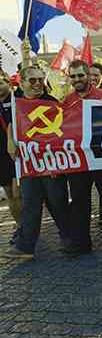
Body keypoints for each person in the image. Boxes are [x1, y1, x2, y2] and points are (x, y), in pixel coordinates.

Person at [3, 41, 70, 259]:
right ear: (21, 84)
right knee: (31, 203)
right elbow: (13, 123)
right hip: (28, 163)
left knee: (57, 202)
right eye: (32, 80)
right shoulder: (17, 101)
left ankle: (70, 239)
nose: (38, 84)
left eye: (41, 80)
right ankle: (26, 247)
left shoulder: (50, 101)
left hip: (51, 163)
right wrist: (10, 140)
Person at [62, 60, 102, 255]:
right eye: (73, 76)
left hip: (101, 156)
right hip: (78, 159)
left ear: (88, 76)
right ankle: (81, 243)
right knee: (79, 200)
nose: (77, 79)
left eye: (80, 75)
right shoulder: (66, 101)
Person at [0, 69, 22, 245]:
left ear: (8, 83)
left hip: (18, 154)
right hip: (1, 157)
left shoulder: (18, 100)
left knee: (18, 192)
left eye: (1, 83)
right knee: (10, 194)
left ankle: (27, 227)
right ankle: (20, 226)